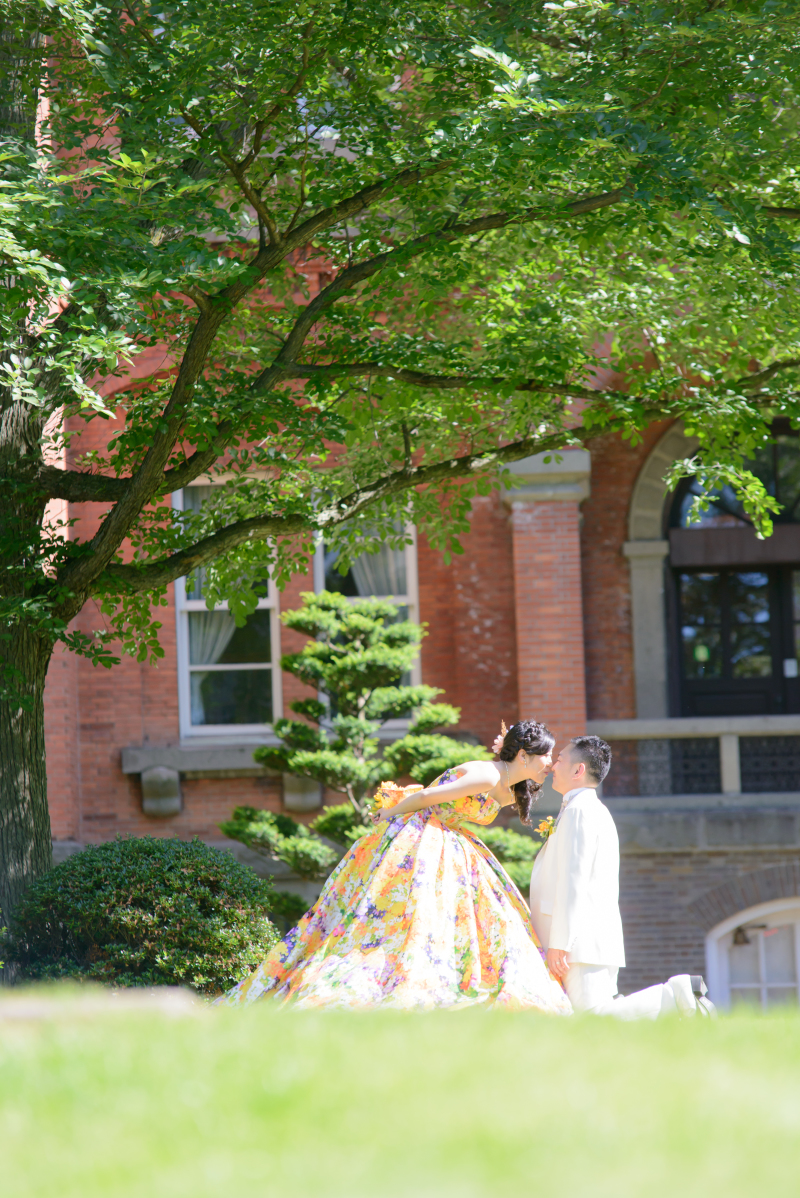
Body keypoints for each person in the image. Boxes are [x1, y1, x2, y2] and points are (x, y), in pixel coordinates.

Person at [216, 720, 572, 1013]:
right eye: (546, 756)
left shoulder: (509, 786)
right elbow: (430, 797)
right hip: (422, 836)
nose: (551, 763)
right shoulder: (487, 776)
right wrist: (390, 812)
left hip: (452, 843)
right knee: (409, 915)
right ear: (524, 755)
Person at [529, 734, 714, 1018]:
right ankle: (675, 998)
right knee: (591, 1018)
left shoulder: (581, 811)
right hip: (585, 942)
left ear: (578, 770)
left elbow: (573, 882)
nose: (553, 765)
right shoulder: (582, 809)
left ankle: (676, 995)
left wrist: (560, 943)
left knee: (594, 1016)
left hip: (580, 944)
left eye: (560, 760)